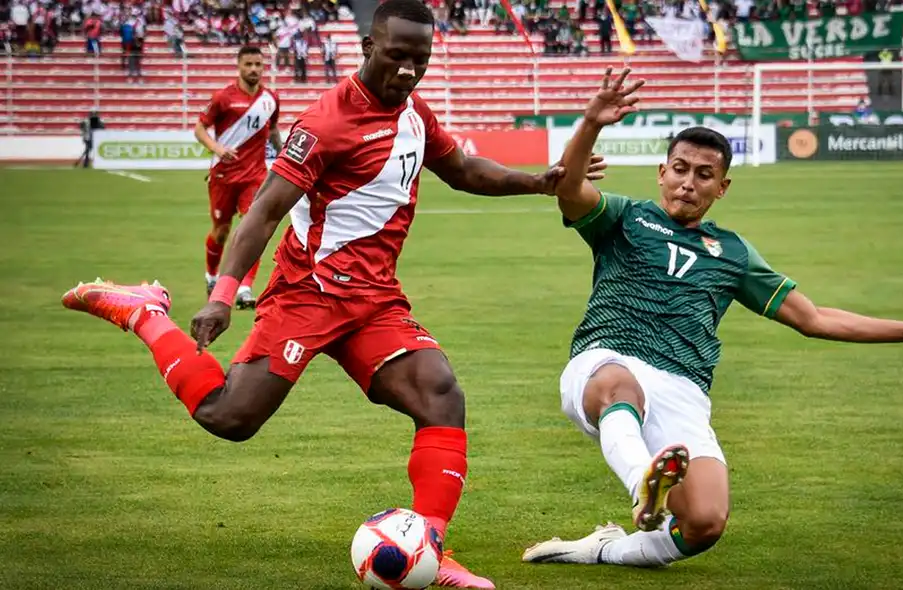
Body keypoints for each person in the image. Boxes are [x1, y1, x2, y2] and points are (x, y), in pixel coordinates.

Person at [60, 0, 605, 587]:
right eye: (397, 56)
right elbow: (265, 212)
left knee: (440, 397)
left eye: (419, 60)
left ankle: (429, 549)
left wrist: (538, 182)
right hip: (308, 293)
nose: (407, 70)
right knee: (229, 417)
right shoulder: (324, 122)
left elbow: (463, 170)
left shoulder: (414, 109)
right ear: (369, 49)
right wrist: (222, 294)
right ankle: (143, 313)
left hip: (374, 299)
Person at [521, 68, 903, 569]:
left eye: (703, 175)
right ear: (662, 172)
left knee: (704, 523)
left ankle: (604, 549)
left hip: (682, 386)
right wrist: (591, 120)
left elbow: (813, 317)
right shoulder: (624, 217)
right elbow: (568, 189)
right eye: (680, 169)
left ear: (722, 187)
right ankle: (643, 486)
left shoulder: (733, 253)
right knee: (618, 382)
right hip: (606, 361)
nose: (688, 183)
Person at [194, 45, 283, 309]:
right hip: (223, 175)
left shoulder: (271, 99)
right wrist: (218, 148)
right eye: (249, 64)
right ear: (239, 66)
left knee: (252, 229)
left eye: (258, 64)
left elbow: (274, 130)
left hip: (255, 177)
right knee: (221, 232)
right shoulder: (223, 98)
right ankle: (211, 276)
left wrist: (283, 156)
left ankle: (244, 288)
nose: (254, 69)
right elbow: (199, 129)